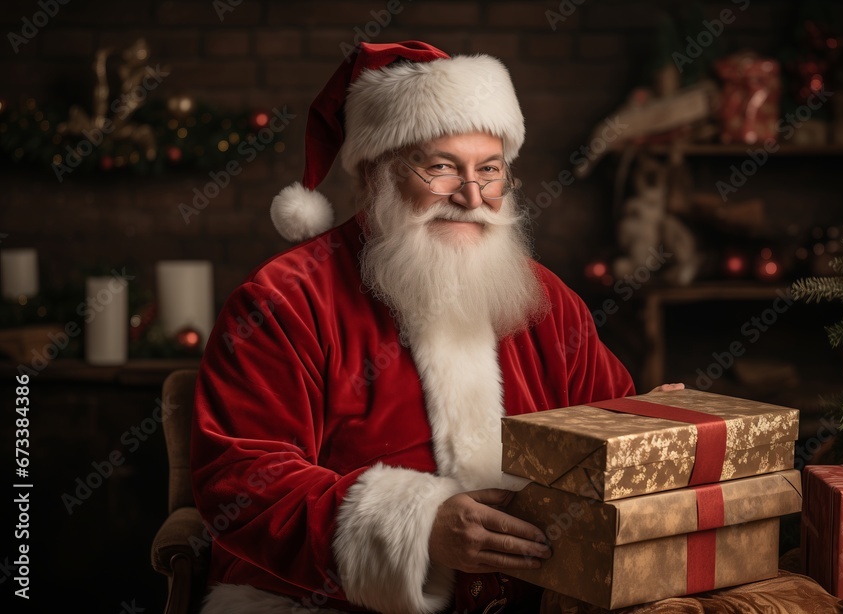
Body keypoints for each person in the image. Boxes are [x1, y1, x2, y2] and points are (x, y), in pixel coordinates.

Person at [191, 41, 676, 614]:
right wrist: (418, 528)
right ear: (376, 173)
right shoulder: (283, 301)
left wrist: (645, 431)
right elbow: (242, 480)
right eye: (441, 167)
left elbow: (604, 425)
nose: (471, 197)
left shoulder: (548, 300)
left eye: (489, 170)